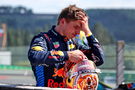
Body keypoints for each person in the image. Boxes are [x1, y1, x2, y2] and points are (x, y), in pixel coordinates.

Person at [28, 5, 104, 88]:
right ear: (62, 21)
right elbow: (34, 56)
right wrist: (67, 55)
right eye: (76, 27)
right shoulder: (43, 39)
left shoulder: (76, 43)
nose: (78, 32)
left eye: (81, 28)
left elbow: (99, 60)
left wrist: (87, 31)